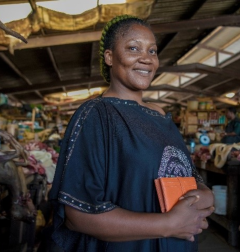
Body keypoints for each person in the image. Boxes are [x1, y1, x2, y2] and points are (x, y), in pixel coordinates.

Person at [48, 15, 214, 252]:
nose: (146, 58)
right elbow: (78, 215)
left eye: (152, 51)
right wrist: (168, 224)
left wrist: (205, 195)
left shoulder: (161, 116)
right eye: (133, 48)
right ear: (109, 57)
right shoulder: (97, 115)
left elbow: (188, 174)